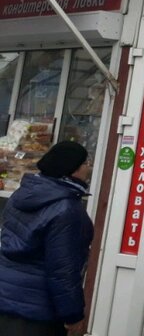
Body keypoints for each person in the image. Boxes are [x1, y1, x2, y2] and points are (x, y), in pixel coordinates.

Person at [0, 141, 94, 336]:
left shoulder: (22, 194)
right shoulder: (67, 210)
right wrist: (73, 315)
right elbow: (63, 271)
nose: (89, 167)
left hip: (6, 296)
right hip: (37, 310)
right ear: (73, 169)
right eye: (86, 163)